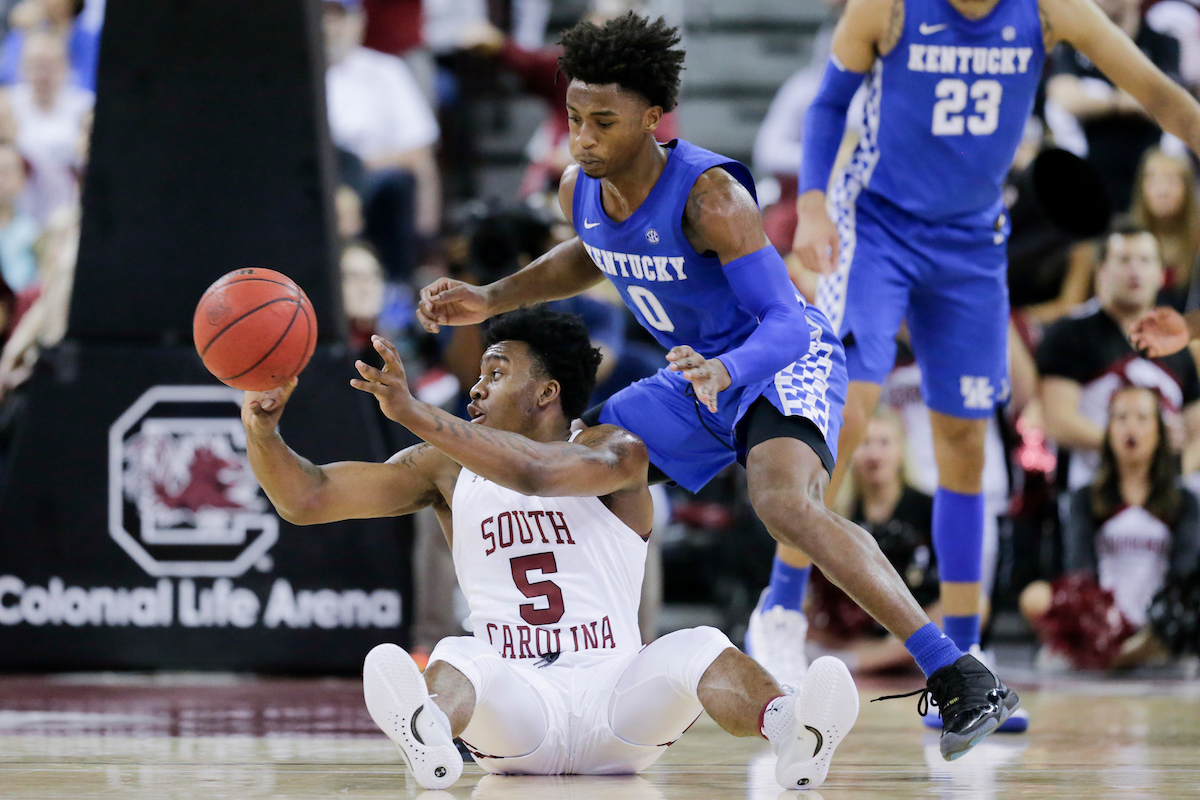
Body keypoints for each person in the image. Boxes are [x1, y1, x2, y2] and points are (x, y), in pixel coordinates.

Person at [416, 13, 1019, 760]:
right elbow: (590, 253)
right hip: (693, 375)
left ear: (650, 117)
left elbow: (788, 325)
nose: (584, 138)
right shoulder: (582, 188)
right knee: (585, 461)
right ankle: (549, 673)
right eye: (574, 118)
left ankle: (960, 673)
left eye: (604, 122)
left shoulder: (711, 199)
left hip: (773, 359)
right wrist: (492, 298)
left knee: (780, 500)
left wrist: (727, 371)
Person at [242, 306, 860, 791]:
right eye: (479, 374)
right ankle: (430, 733)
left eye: (496, 372)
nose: (475, 390)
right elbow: (308, 498)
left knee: (699, 644)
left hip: (618, 701)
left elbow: (539, 474)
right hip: (517, 708)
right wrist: (262, 431)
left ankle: (793, 732)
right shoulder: (445, 469)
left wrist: (414, 412)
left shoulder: (617, 448)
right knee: (461, 652)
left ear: (546, 393)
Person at [788, 0, 1200, 717]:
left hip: (972, 242)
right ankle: (781, 615)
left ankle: (967, 661)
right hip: (879, 224)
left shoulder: (1047, 9)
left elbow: (1158, 92)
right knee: (847, 411)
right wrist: (814, 204)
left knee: (966, 449)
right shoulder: (889, 7)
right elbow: (828, 105)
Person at [1021, 385, 1200, 668]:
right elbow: (1079, 570)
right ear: (1108, 431)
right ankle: (1111, 651)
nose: (1131, 427)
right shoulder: (1085, 498)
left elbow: (1185, 573)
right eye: (1121, 418)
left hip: (1159, 622)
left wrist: (1164, 620)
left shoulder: (1184, 501)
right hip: (1102, 618)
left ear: (1159, 431)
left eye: (1142, 418)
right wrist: (1101, 622)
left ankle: (1136, 651)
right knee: (1034, 596)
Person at [1038, 221, 1200, 491]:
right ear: (1101, 271)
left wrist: (1179, 475)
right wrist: (1139, 444)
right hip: (1090, 494)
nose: (1135, 270)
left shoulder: (1175, 341)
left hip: (1163, 502)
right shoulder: (1071, 333)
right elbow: (1056, 421)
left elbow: (1196, 425)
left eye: (1145, 260)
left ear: (1161, 274)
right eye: (1124, 260)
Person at [809, 406, 943, 674]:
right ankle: (855, 658)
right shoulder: (838, 512)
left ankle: (863, 661)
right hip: (855, 632)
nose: (874, 454)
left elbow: (952, 589)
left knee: (964, 606)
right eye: (865, 443)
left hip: (921, 626)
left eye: (884, 443)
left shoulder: (929, 508)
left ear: (901, 450)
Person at [323, 0, 441, 280]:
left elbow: (418, 153)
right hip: (316, 184)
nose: (330, 27)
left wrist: (428, 234)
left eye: (338, 18)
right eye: (324, 17)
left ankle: (397, 287)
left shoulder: (385, 70)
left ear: (358, 22)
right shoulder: (293, 74)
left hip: (371, 183)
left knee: (398, 183)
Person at [1043, 0, 1184, 212]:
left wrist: (1093, 103)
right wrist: (1120, 102)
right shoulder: (1076, 42)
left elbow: (1169, 104)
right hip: (1094, 179)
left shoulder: (1162, 43)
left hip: (1149, 183)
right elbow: (1063, 97)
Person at [1129, 147, 1200, 311]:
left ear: (1188, 188)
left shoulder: (1198, 243)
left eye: (1172, 180)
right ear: (1141, 187)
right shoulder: (1125, 240)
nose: (1163, 190)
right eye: (1153, 180)